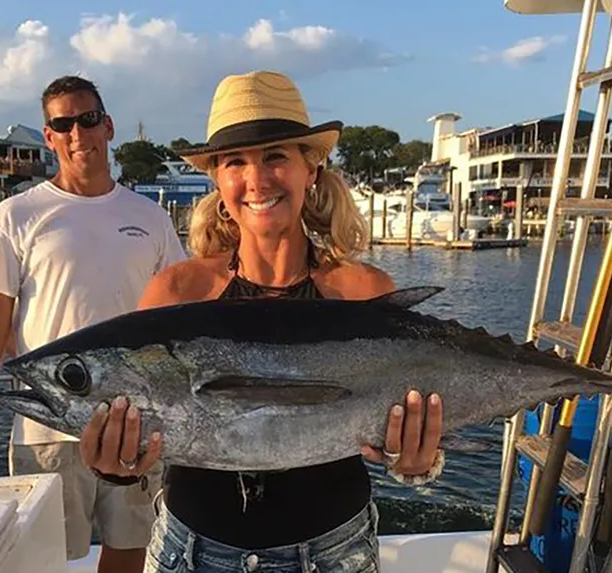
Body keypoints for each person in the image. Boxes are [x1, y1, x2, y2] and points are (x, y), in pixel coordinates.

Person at [79, 70, 446, 573]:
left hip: (333, 557)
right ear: (218, 179)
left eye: (276, 156)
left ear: (310, 169)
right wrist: (118, 467)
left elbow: (425, 419)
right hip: (191, 554)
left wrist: (419, 464)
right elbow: (148, 429)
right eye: (235, 162)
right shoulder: (177, 293)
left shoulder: (363, 293)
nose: (257, 179)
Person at [0, 75, 187, 573]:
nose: (79, 133)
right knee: (45, 560)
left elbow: (175, 321)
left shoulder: (152, 217)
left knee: (129, 552)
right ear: (50, 136)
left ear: (109, 126)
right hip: (47, 429)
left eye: (88, 119)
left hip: (137, 424)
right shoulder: (16, 216)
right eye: (64, 124)